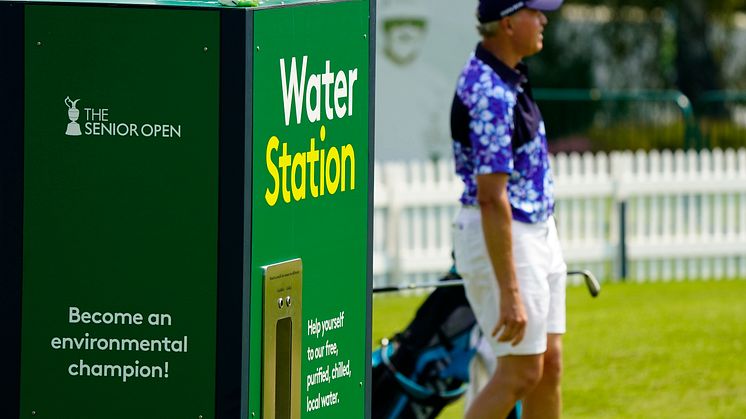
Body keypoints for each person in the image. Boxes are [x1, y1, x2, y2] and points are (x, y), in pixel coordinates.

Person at [450, 1, 567, 418]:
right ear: (508, 23)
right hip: (505, 233)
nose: (544, 20)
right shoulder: (489, 91)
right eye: (535, 12)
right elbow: (490, 196)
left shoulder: (511, 74)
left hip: (535, 228)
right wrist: (511, 293)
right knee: (519, 373)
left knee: (548, 365)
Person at [375, 0, 451, 161]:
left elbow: (443, 146)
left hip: (416, 180)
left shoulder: (436, 84)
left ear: (422, 31)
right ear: (385, 29)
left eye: (414, 24)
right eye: (398, 23)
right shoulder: (365, 76)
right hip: (374, 177)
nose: (406, 31)